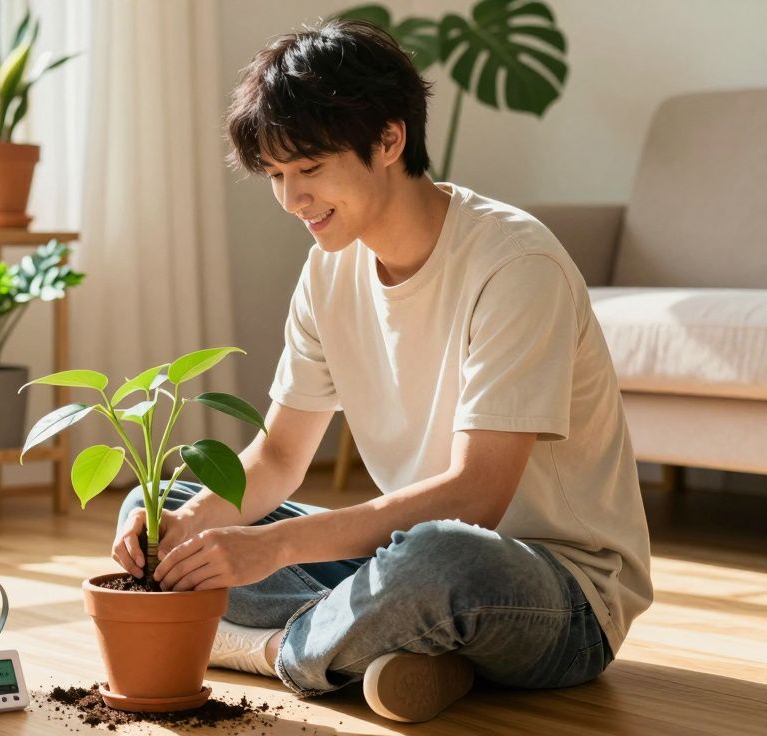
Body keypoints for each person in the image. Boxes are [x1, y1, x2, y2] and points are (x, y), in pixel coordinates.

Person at [113, 19, 652, 724]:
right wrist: (183, 525)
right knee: (157, 511)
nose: (291, 199)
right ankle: (396, 652)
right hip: (397, 565)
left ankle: (268, 648)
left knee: (442, 560)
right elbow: (278, 456)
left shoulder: (516, 264)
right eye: (275, 175)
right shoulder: (326, 270)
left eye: (308, 168)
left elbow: (477, 496)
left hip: (555, 593)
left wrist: (271, 547)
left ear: (390, 140)